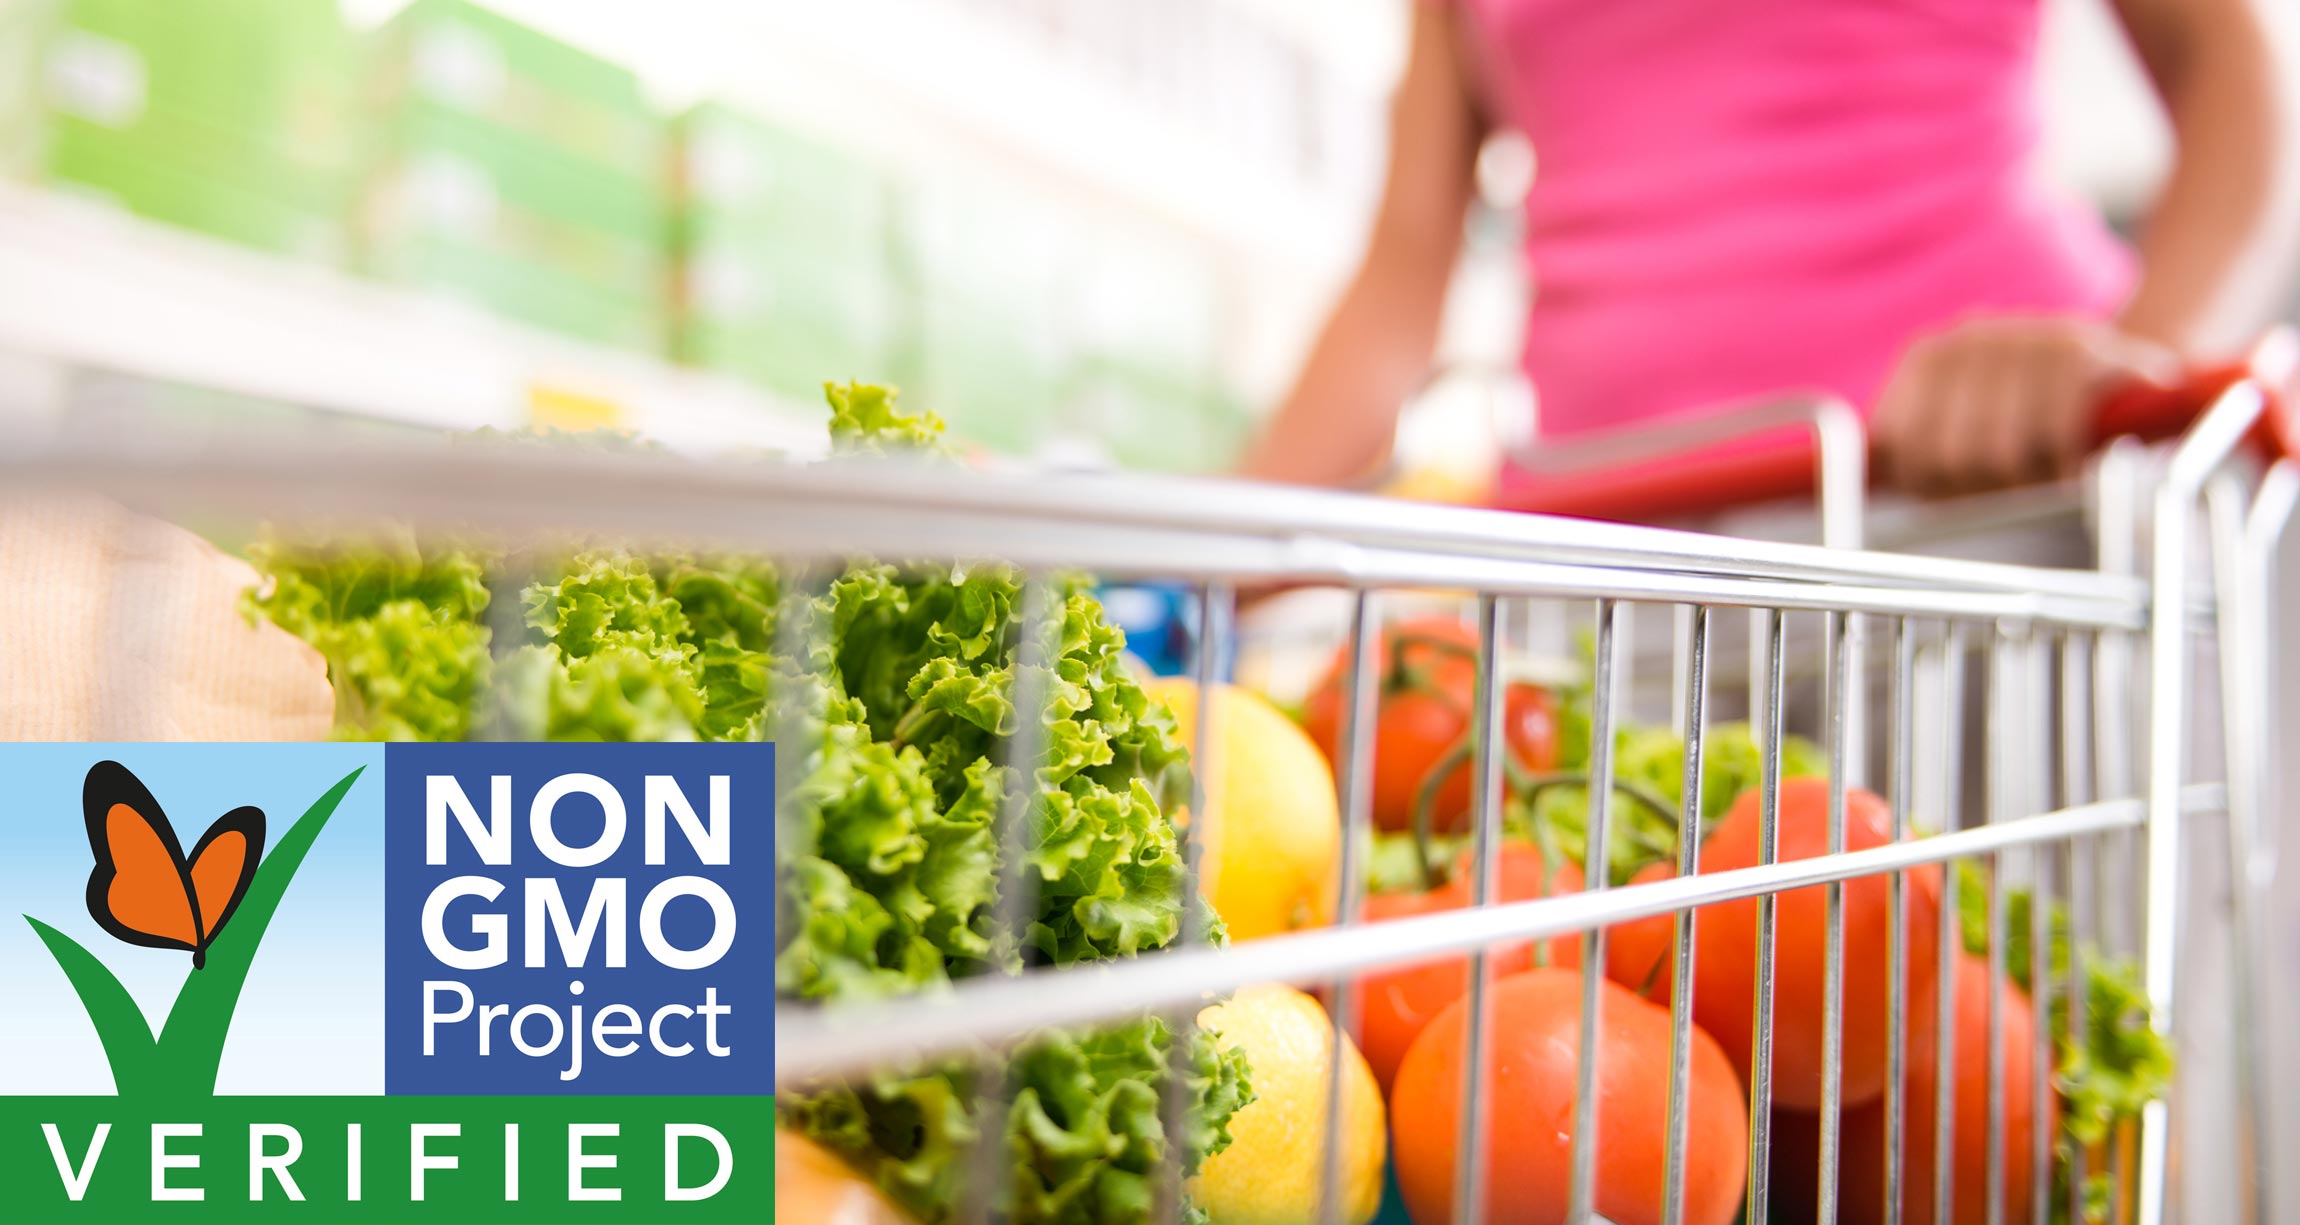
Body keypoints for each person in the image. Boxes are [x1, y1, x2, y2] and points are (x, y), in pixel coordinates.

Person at [1243, 0, 2296, 500]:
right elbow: (1400, 275)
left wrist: (2148, 360)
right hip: (1610, 545)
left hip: (1980, 513)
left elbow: (2231, 61)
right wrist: (1190, 547)